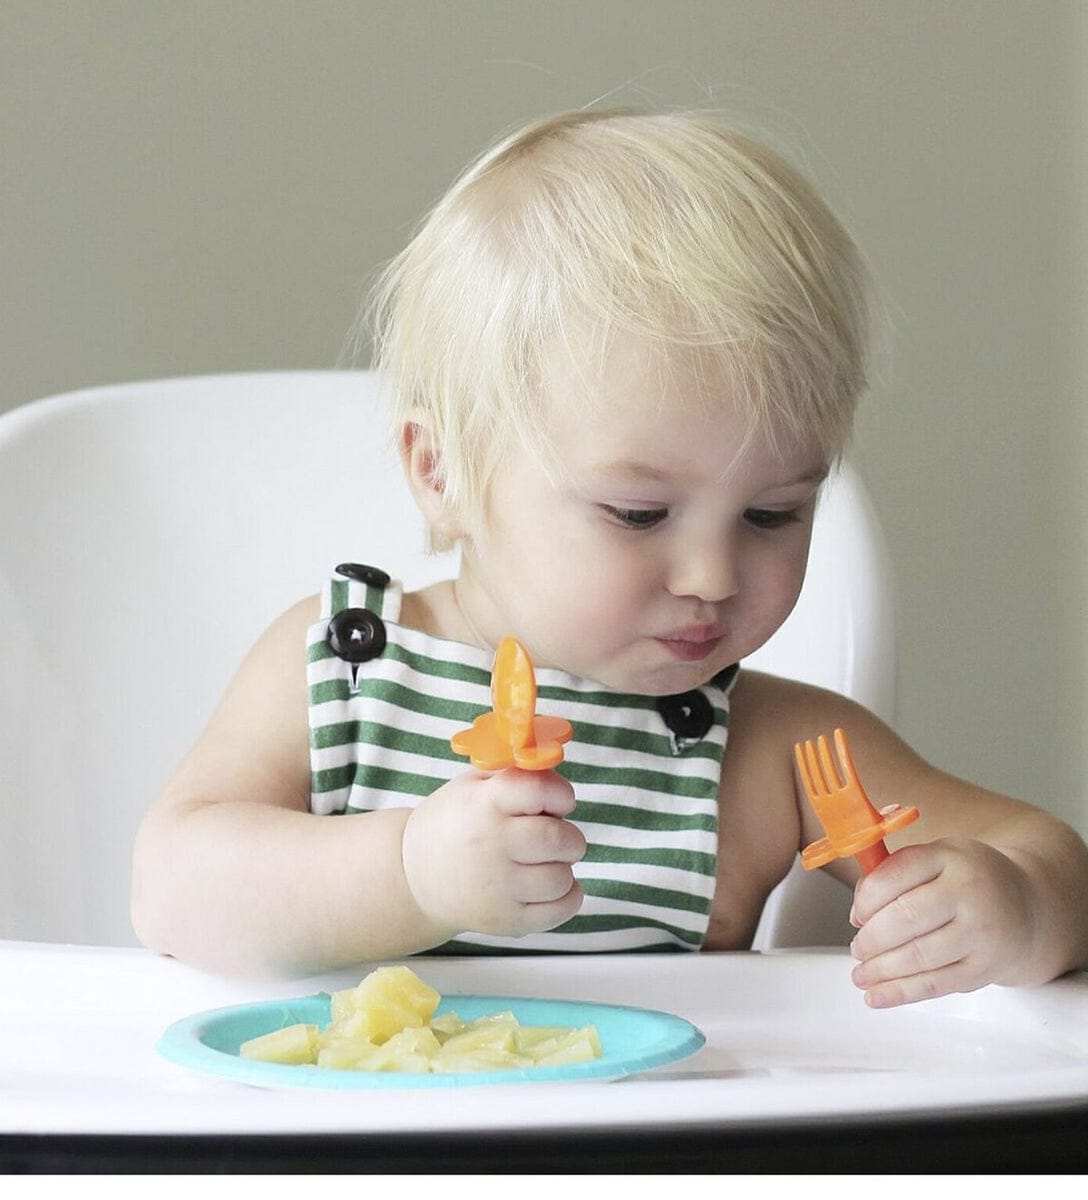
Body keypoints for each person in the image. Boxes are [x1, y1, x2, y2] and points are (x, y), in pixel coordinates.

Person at [130, 108, 1088, 1007]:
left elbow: (1045, 852)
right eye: (637, 513)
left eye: (771, 513)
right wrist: (412, 871)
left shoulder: (769, 750)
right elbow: (173, 889)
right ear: (443, 472)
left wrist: (1018, 907)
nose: (712, 575)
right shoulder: (343, 670)